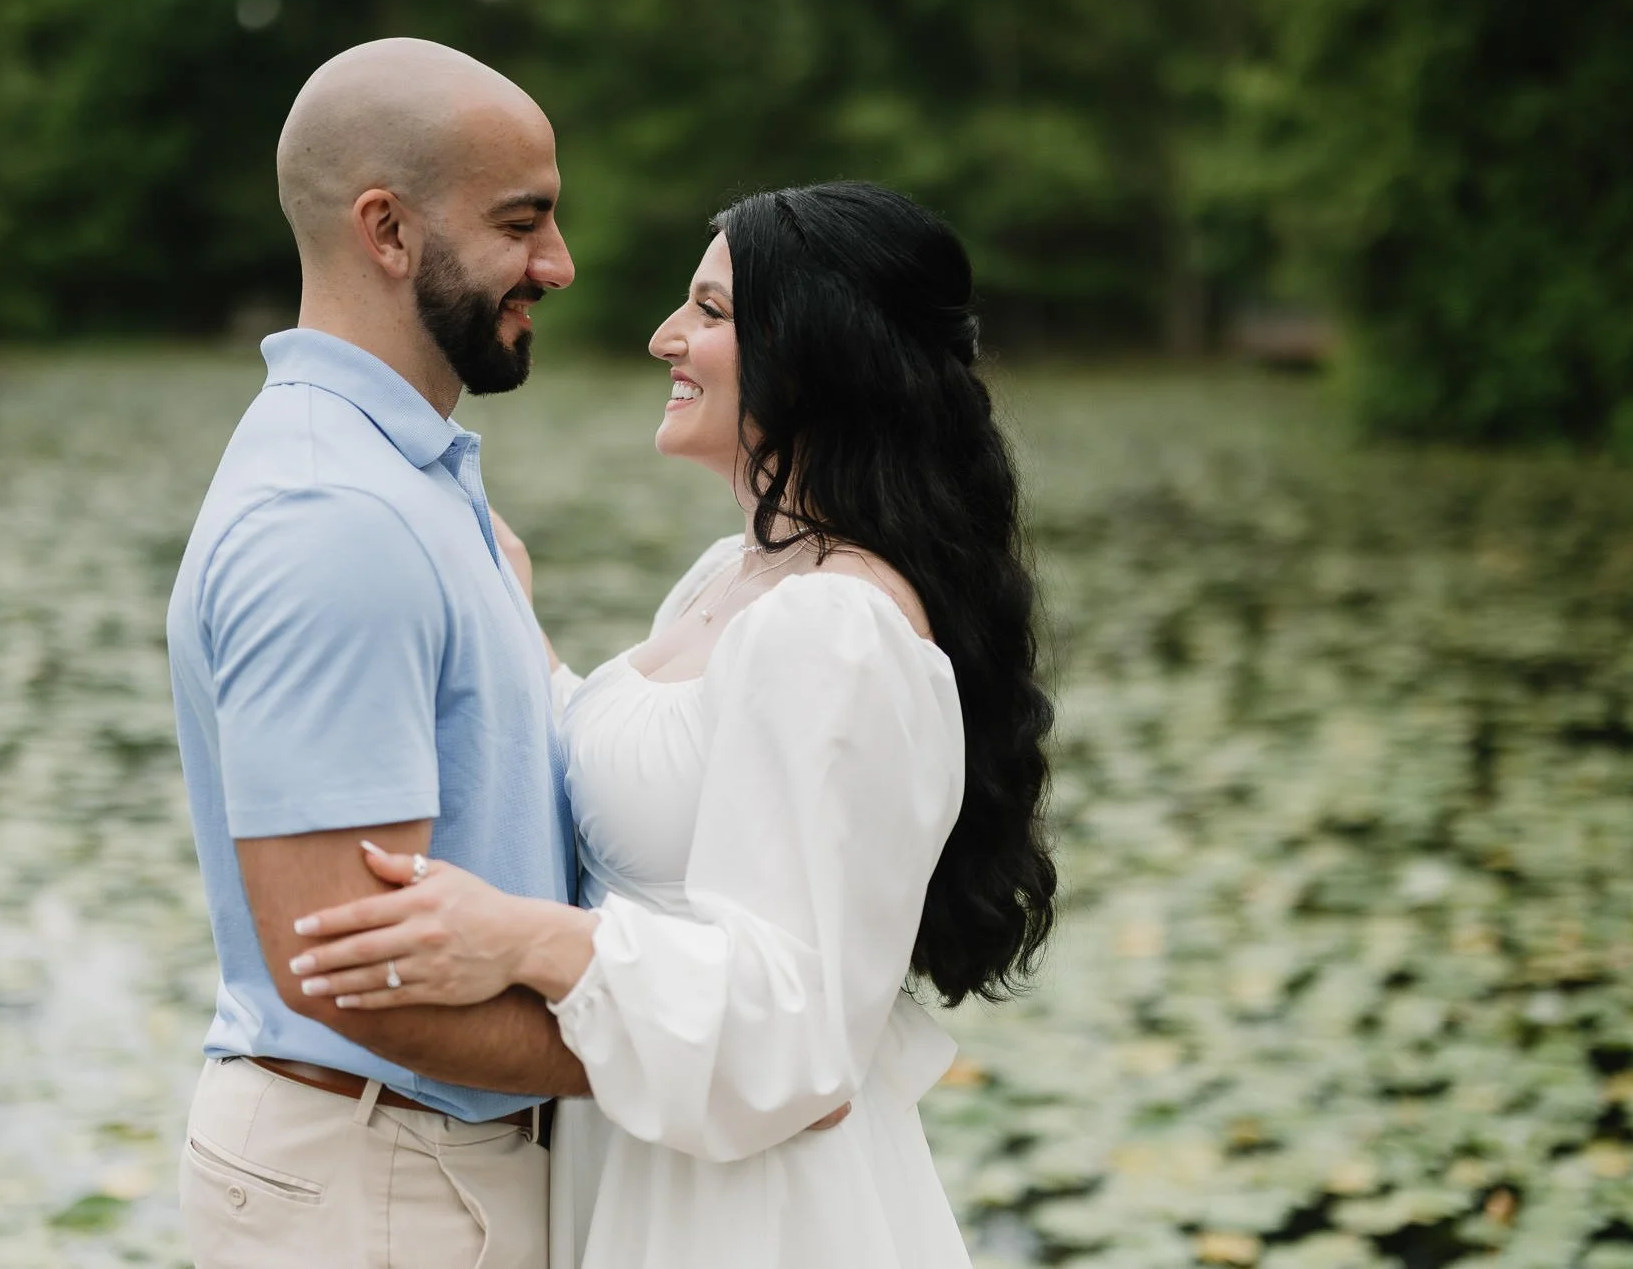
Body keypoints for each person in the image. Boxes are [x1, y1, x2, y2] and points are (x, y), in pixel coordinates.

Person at [285, 181, 1060, 1267]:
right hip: (643, 1151)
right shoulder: (735, 573)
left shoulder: (833, 631)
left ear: (815, 352)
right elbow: (648, 792)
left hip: (750, 1213)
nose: (665, 337)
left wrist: (521, 940)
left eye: (706, 311)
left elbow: (796, 1028)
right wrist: (503, 612)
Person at [164, 37, 587, 1268]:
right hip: (382, 1187)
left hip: (405, 1168)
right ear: (386, 231)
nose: (556, 266)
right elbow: (347, 972)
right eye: (522, 223)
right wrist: (670, 1048)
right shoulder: (334, 517)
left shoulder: (400, 479)